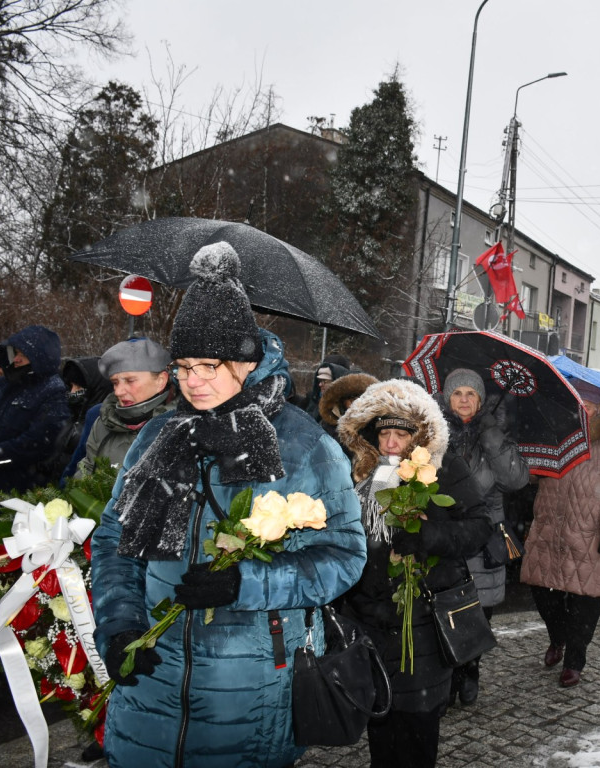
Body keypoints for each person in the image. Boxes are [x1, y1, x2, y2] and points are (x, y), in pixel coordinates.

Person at [91, 243, 367, 768]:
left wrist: (246, 584)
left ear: (246, 361)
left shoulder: (304, 446)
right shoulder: (157, 435)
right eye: (182, 366)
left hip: (249, 690)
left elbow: (344, 558)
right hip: (150, 682)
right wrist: (121, 627)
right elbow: (113, 541)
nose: (192, 381)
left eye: (208, 365)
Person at [337, 377, 491, 768]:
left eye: (400, 435)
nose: (390, 444)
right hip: (367, 616)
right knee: (381, 718)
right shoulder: (356, 475)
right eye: (384, 433)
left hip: (421, 616)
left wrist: (428, 535)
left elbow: (478, 526)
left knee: (420, 726)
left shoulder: (442, 468)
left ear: (418, 437)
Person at [521, 378, 600, 687]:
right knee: (543, 592)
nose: (584, 410)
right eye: (579, 404)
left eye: (590, 405)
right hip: (551, 527)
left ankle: (575, 660)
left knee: (584, 600)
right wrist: (532, 454)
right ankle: (557, 637)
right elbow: (531, 478)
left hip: (591, 533)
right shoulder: (556, 434)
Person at [439, 367, 529, 706]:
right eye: (457, 393)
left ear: (480, 400)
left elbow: (517, 480)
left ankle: (471, 669)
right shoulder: (435, 432)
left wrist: (492, 437)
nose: (464, 400)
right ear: (448, 399)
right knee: (444, 607)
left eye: (471, 394)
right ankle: (447, 677)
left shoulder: (496, 434)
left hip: (484, 536)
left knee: (479, 612)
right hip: (446, 534)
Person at [73, 338, 175, 478]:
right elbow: (85, 476)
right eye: (115, 383)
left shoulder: (180, 427)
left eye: (130, 380)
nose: (118, 391)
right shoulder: (103, 424)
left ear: (161, 381)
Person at [0, 325, 70, 493]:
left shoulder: (53, 391)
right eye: (15, 353)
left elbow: (37, 444)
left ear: (40, 356)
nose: (16, 359)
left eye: (24, 354)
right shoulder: (5, 384)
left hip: (18, 488)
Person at [318, 369, 379, 442]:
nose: (357, 404)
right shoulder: (328, 427)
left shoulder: (378, 426)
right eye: (352, 400)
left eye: (363, 399)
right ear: (343, 401)